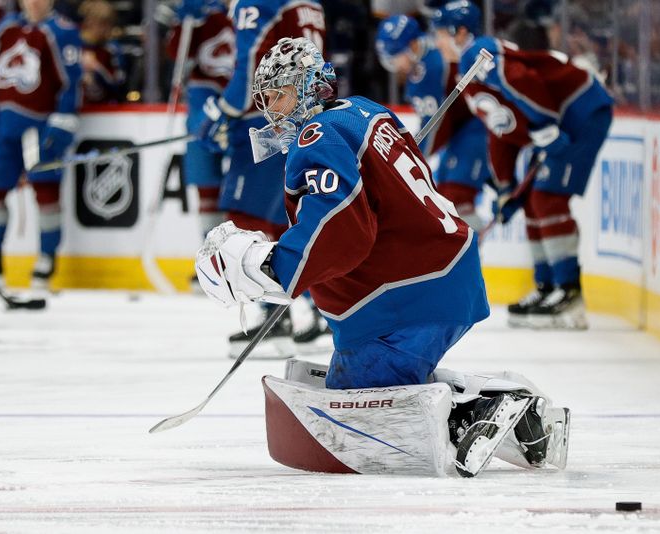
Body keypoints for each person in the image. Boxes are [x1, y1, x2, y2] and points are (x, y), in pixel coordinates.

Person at [194, 37, 566, 477]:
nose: (270, 106)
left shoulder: (317, 136)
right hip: (440, 275)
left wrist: (277, 267)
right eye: (267, 96)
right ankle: (504, 407)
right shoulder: (364, 110)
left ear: (310, 87)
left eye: (280, 92)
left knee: (356, 407)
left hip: (407, 294)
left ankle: (481, 410)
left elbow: (340, 222)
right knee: (365, 382)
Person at [435, 0, 614, 329]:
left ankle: (569, 292)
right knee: (532, 201)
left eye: (440, 34)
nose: (436, 42)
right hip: (560, 119)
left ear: (459, 32)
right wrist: (504, 187)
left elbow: (523, 80)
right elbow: (499, 129)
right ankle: (548, 287)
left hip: (581, 110)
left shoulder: (479, 52)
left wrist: (545, 124)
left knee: (547, 198)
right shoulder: (468, 70)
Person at [198, 0, 329, 358]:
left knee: (247, 219)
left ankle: (273, 320)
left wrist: (222, 112)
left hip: (269, 116)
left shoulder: (255, 2)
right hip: (305, 116)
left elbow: (248, 67)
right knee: (284, 219)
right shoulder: (309, 3)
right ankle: (325, 311)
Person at [0, 0, 82, 289]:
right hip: (5, 125)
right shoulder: (7, 28)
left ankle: (46, 259)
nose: (34, 2)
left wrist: (63, 118)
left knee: (46, 190)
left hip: (40, 126)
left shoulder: (61, 31)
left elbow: (71, 82)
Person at [376, 13, 491, 230]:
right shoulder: (424, 60)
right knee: (447, 196)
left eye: (395, 57)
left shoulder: (427, 70)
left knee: (457, 197)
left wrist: (410, 158)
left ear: (411, 45)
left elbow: (434, 126)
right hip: (462, 131)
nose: (395, 65)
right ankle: (466, 253)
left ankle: (469, 252)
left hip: (476, 128)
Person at [164, 0, 233, 284]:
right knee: (206, 185)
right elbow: (175, 54)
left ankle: (242, 261)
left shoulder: (255, 12)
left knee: (247, 189)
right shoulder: (201, 14)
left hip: (248, 106)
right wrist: (183, 25)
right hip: (203, 112)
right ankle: (212, 260)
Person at [78, 0, 124, 105]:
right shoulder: (74, 45)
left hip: (105, 109)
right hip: (79, 108)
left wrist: (97, 67)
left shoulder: (112, 48)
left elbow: (118, 83)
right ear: (88, 22)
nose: (105, 29)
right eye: (101, 23)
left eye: (108, 24)